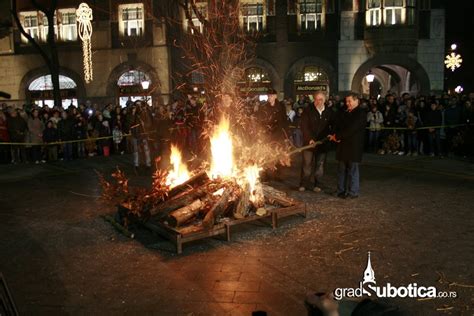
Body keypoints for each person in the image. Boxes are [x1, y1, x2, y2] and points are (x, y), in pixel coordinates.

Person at [331, 93, 366, 199]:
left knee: (352, 169)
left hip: (353, 146)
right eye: (346, 101)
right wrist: (335, 135)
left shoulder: (360, 113)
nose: (347, 103)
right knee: (341, 169)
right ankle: (341, 190)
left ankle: (353, 192)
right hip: (343, 145)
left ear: (356, 101)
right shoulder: (345, 112)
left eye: (349, 101)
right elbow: (339, 125)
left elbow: (352, 129)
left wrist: (337, 136)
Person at [299, 91, 333, 192]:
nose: (319, 102)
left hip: (322, 143)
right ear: (314, 100)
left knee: (320, 165)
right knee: (306, 164)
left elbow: (332, 126)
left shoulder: (329, 112)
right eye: (317, 99)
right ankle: (304, 183)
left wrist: (329, 136)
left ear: (325, 100)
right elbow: (304, 126)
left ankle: (318, 184)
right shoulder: (308, 111)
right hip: (308, 143)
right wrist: (309, 138)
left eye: (321, 99)